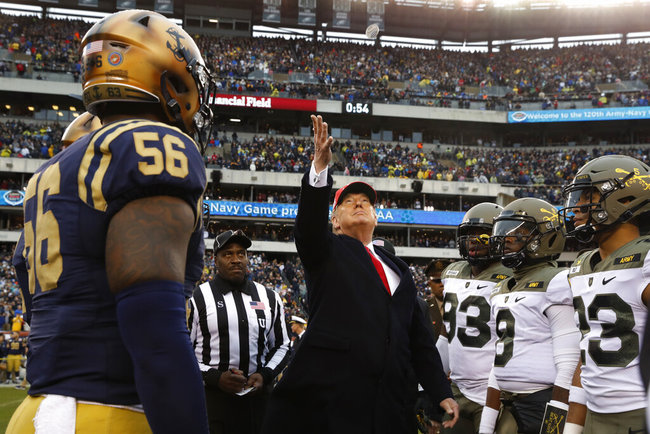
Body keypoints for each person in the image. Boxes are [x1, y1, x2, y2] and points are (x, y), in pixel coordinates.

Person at [8, 9, 216, 434]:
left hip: (39, 410)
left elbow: (30, 292)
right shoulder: (152, 143)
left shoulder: (49, 173)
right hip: (106, 412)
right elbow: (154, 331)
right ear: (166, 74)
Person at [261, 115, 458, 434]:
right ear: (334, 221)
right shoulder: (327, 251)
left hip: (388, 405)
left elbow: (419, 341)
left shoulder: (401, 270)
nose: (359, 204)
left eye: (365, 201)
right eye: (349, 202)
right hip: (334, 401)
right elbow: (309, 228)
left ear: (376, 218)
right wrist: (319, 168)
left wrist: (440, 391)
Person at [559, 155, 650, 434]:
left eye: (588, 197)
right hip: (592, 415)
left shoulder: (645, 258)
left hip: (637, 414)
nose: (575, 209)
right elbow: (587, 352)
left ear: (624, 198)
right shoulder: (581, 266)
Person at [478, 198, 581, 434]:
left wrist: (556, 418)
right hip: (508, 400)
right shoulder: (502, 286)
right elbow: (500, 357)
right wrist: (486, 423)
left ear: (545, 237)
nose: (507, 239)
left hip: (541, 401)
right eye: (504, 231)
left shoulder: (556, 281)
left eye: (519, 232)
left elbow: (568, 361)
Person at [189, 229, 290, 434]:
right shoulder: (196, 297)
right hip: (211, 400)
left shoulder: (270, 297)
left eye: (241, 253)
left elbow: (282, 345)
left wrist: (265, 375)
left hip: (257, 402)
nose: (236, 259)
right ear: (215, 260)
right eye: (228, 254)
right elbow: (183, 351)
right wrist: (215, 377)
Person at [438, 203, 512, 433]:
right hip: (458, 388)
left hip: (497, 391)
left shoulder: (510, 277)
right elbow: (447, 329)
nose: (473, 240)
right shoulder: (453, 273)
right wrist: (431, 382)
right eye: (468, 234)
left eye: (482, 235)